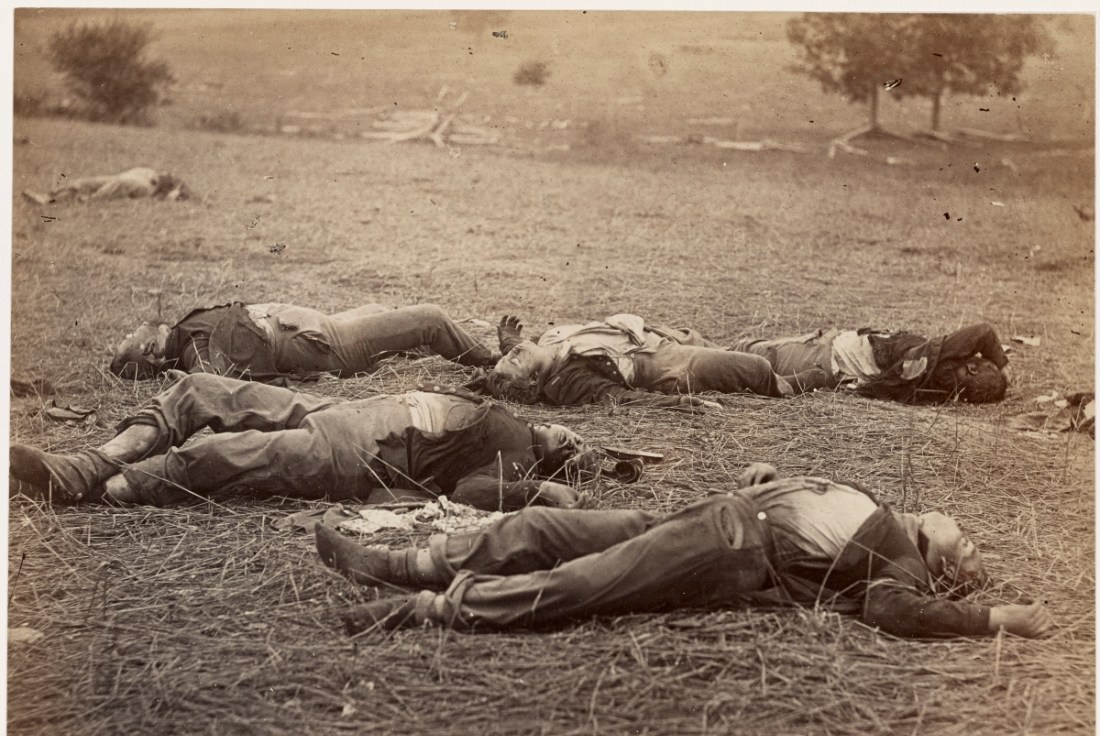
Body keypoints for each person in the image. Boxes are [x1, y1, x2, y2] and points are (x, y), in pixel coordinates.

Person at [321, 462, 1053, 640]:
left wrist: (992, 618)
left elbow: (892, 607)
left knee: (588, 579)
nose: (968, 529)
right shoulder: (882, 508)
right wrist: (773, 474)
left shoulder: (902, 559)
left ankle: (431, 607)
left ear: (945, 564)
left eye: (972, 546)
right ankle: (410, 560)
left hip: (730, 547)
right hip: (714, 514)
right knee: (548, 530)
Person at [8, 375, 597, 512]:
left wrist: (541, 485)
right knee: (201, 390)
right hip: (345, 413)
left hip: (357, 454)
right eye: (573, 434)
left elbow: (471, 491)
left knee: (219, 456)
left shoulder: (517, 455)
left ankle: (102, 486)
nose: (571, 437)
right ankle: (89, 462)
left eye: (570, 446)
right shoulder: (508, 413)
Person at [483, 314, 832, 409]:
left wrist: (509, 339)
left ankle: (804, 355)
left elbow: (519, 349)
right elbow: (621, 399)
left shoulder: (545, 344)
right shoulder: (569, 381)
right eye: (513, 360)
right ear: (532, 382)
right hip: (668, 363)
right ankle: (800, 383)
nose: (511, 354)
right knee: (753, 368)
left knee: (747, 350)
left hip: (660, 335)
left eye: (508, 353)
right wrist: (681, 402)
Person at [110, 301, 497, 382]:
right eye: (129, 339)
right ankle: (494, 362)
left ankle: (432, 345)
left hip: (321, 328)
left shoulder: (185, 334)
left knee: (378, 308)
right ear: (150, 350)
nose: (132, 330)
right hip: (327, 343)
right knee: (430, 318)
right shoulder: (193, 348)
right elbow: (210, 382)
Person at [729, 324, 1010, 404]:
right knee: (746, 360)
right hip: (828, 370)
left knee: (746, 354)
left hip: (823, 353)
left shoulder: (934, 357)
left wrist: (1001, 366)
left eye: (976, 359)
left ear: (972, 368)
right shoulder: (939, 392)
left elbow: (983, 332)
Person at [22, 167, 189, 204]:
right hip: (124, 177)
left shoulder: (162, 187)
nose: (169, 174)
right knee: (83, 183)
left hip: (132, 183)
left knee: (113, 186)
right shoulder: (148, 171)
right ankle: (48, 197)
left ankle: (51, 202)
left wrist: (175, 189)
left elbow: (171, 195)